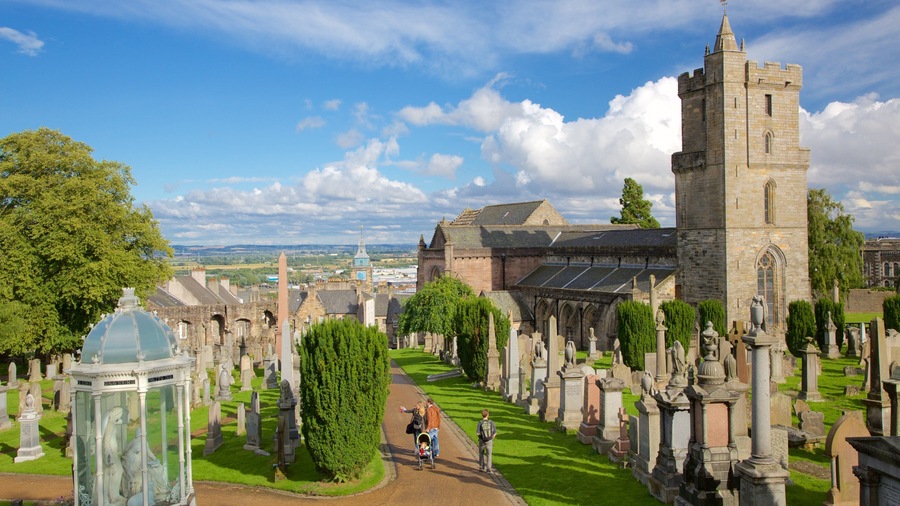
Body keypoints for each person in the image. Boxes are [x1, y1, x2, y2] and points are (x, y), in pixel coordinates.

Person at [476, 408, 496, 473]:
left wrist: (480, 438)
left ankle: (482, 467)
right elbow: (494, 432)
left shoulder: (480, 422)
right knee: (489, 455)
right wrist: (491, 438)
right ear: (488, 414)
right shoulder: (491, 422)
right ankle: (489, 469)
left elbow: (477, 433)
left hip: (482, 440)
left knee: (481, 453)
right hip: (489, 440)